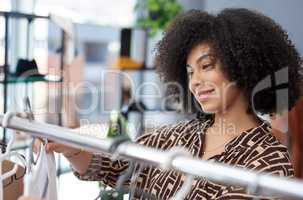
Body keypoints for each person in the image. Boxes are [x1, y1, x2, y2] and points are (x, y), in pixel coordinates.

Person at [45, 8, 302, 199]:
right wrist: (73, 150)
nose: (195, 82)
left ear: (242, 66)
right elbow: (110, 166)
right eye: (190, 72)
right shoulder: (176, 135)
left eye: (206, 66)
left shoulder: (269, 164)